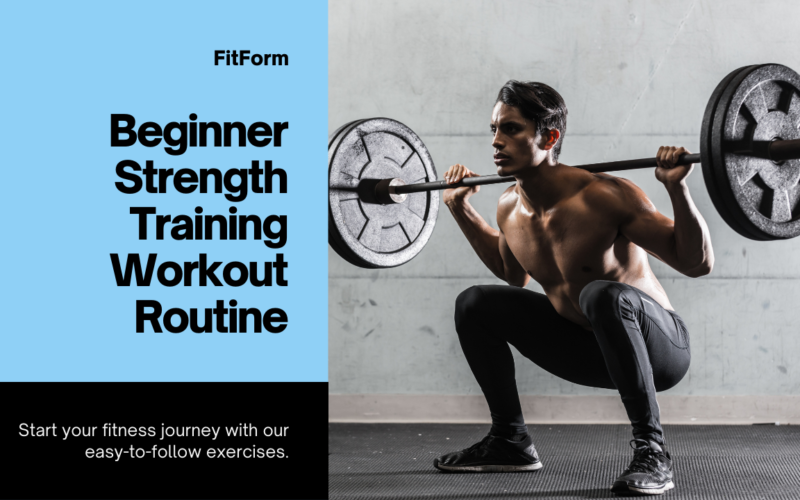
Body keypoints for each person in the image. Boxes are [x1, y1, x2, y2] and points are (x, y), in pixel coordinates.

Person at [434, 80, 714, 496]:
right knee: (475, 304)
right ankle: (510, 441)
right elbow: (513, 275)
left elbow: (697, 263)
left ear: (548, 137)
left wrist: (677, 187)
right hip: (588, 350)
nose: (496, 141)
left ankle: (652, 452)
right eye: (494, 129)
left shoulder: (605, 196)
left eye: (511, 129)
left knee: (601, 294)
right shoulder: (510, 206)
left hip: (659, 352)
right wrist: (460, 208)